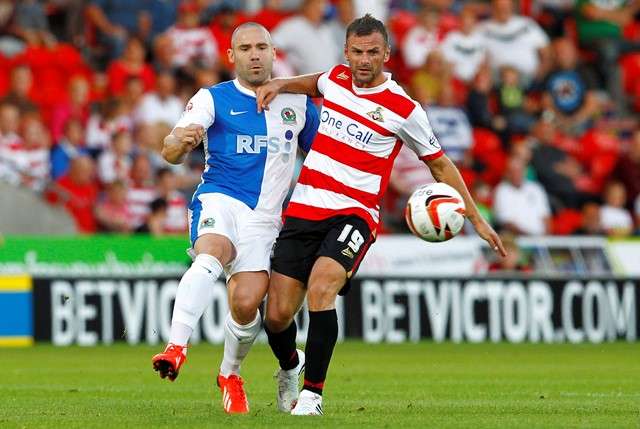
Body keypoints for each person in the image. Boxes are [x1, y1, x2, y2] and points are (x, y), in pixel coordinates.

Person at [255, 14, 505, 416]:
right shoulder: (336, 78)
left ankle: (312, 396)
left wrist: (476, 219)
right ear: (346, 52)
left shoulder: (404, 108)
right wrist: (280, 83)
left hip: (354, 214)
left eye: (373, 52)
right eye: (357, 52)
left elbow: (440, 166)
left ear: (387, 53)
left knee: (322, 287)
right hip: (304, 208)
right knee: (277, 316)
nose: (364, 60)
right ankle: (290, 365)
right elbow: (315, 82)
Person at [150, 22, 319, 415]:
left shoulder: (297, 104)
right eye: (245, 48)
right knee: (210, 254)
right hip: (220, 200)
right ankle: (176, 347)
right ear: (231, 56)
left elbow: (323, 158)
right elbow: (170, 149)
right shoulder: (212, 98)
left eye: (261, 47)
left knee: (245, 305)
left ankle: (229, 374)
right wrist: (179, 143)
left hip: (265, 220)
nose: (254, 54)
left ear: (274, 53)